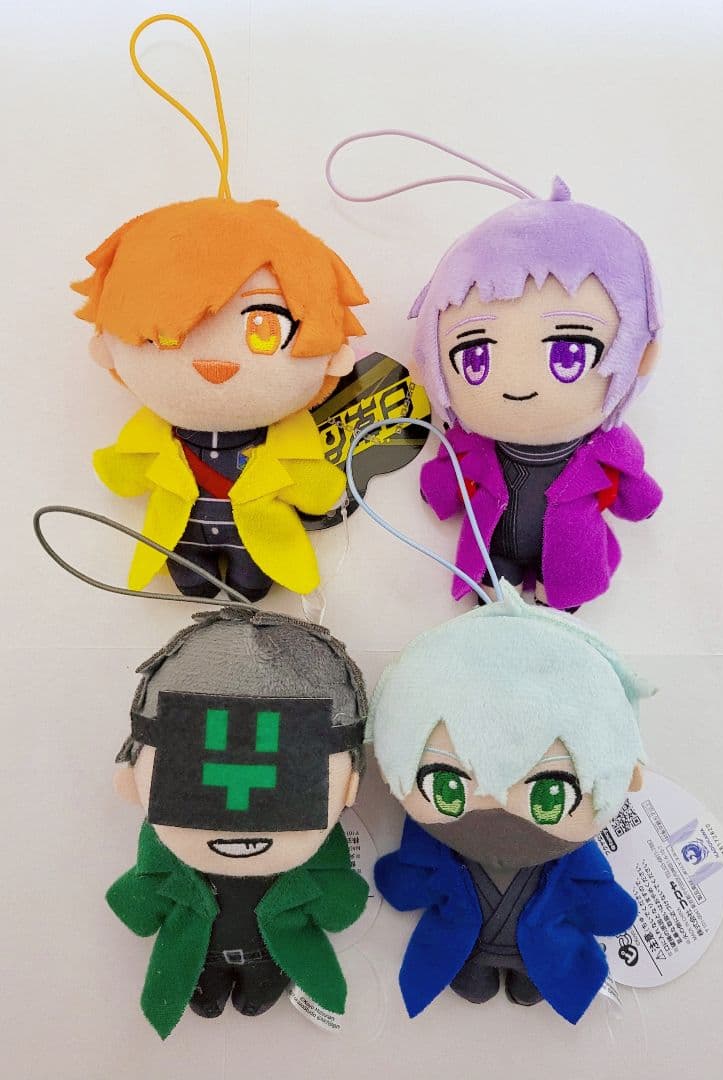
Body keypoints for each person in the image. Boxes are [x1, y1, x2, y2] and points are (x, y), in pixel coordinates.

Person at [370, 588, 650, 1023]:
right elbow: (407, 882)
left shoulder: (572, 860)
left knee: (534, 982)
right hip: (469, 948)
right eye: (447, 789)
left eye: (550, 796)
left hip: (544, 953)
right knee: (471, 982)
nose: (497, 817)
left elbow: (602, 901)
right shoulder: (439, 851)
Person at [74, 197, 368, 600]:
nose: (214, 362)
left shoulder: (288, 442)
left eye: (264, 329)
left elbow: (311, 486)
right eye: (170, 335)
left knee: (252, 588)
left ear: (333, 357)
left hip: (258, 543)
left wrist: (320, 489)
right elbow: (127, 471)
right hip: (180, 538)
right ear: (107, 349)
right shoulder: (151, 436)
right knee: (191, 584)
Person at [108, 607, 368, 1038]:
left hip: (270, 956)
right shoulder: (163, 854)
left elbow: (339, 904)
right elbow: (137, 901)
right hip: (200, 957)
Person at [414, 179, 662, 609]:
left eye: (568, 353)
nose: (518, 385)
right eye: (475, 357)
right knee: (495, 603)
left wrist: (641, 500)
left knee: (558, 608)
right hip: (494, 551)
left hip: (570, 555)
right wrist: (438, 489)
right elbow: (444, 479)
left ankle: (553, 600)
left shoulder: (605, 447)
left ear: (640, 356)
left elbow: (636, 490)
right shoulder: (471, 444)